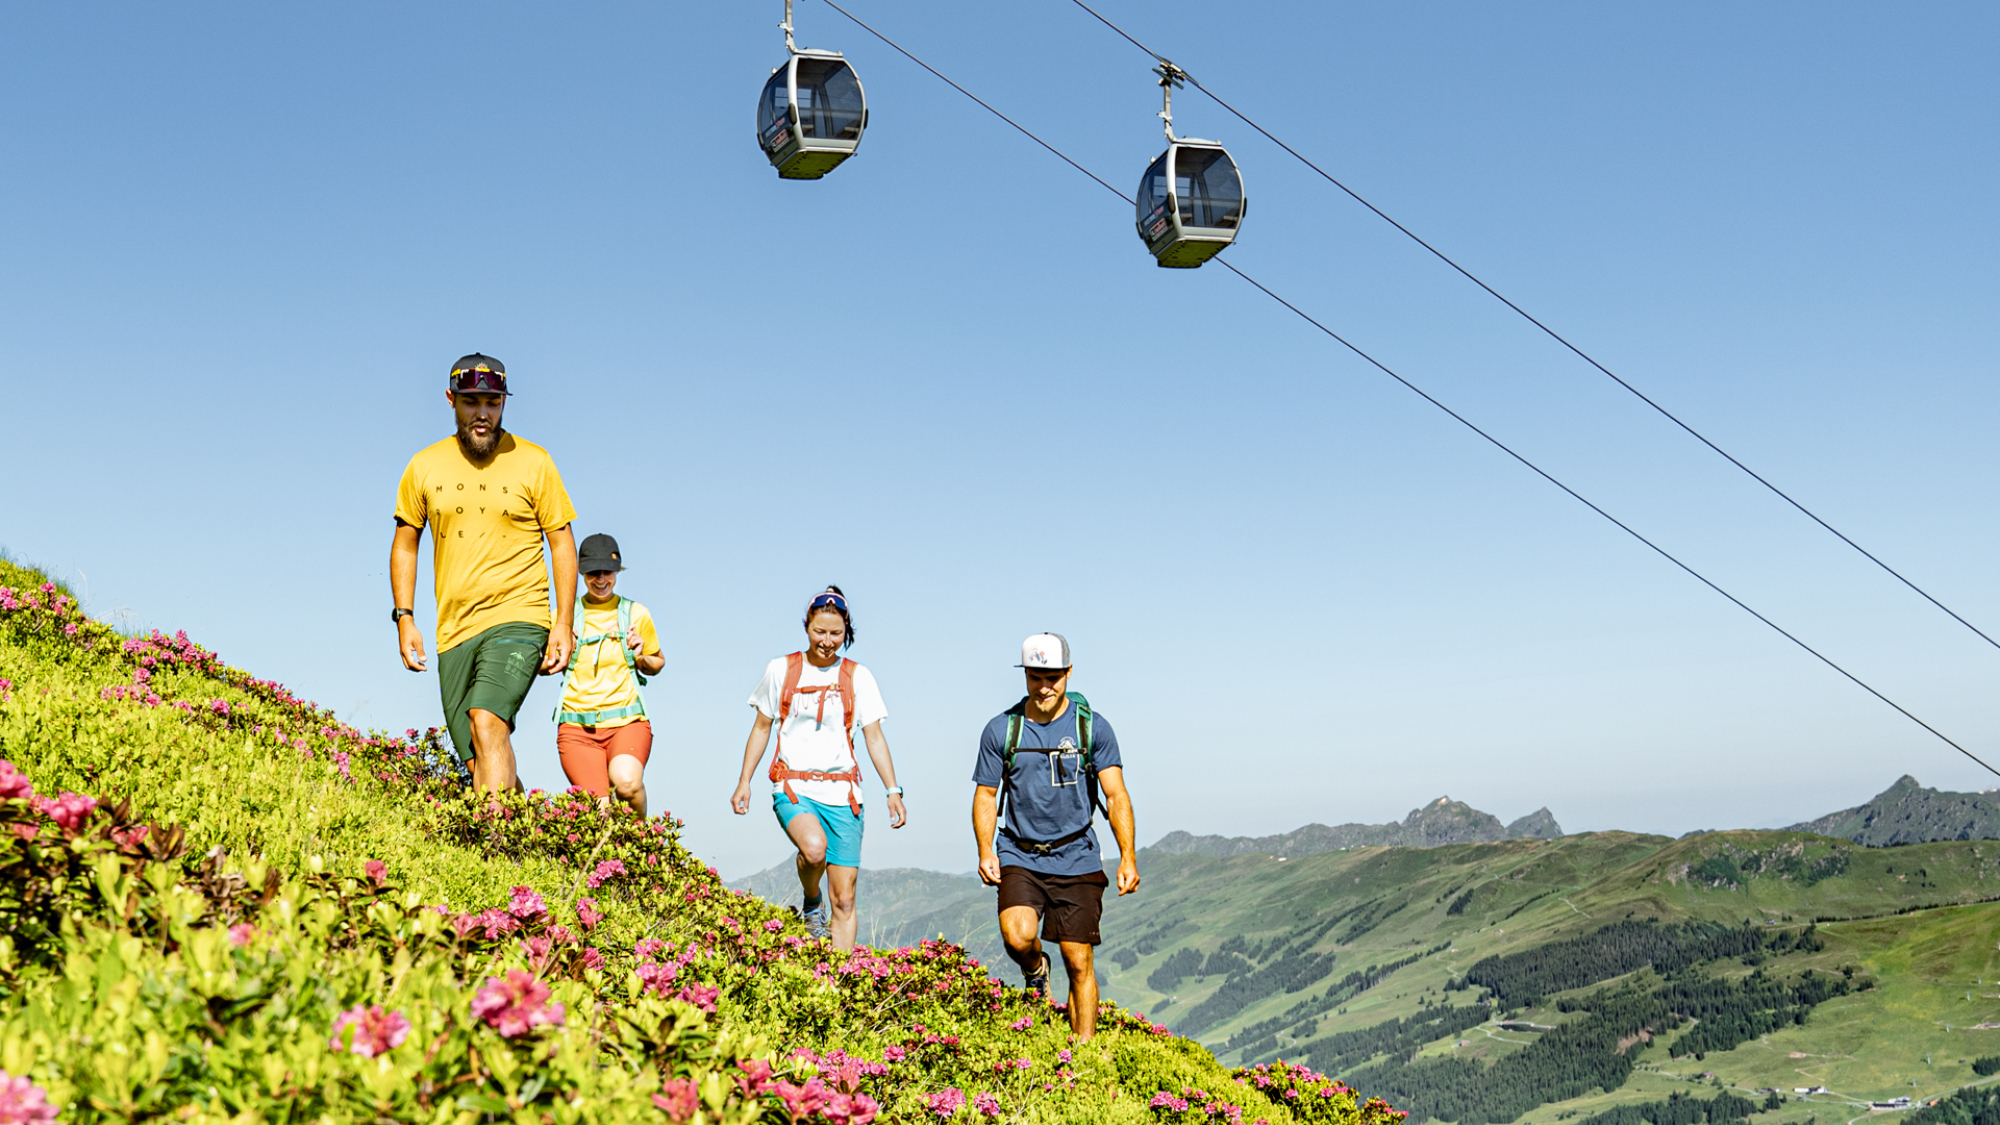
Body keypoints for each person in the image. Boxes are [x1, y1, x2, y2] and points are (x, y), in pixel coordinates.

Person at [391, 353, 577, 792]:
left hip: (521, 616)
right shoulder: (423, 466)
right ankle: (531, 840)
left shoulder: (535, 462)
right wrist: (405, 616)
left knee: (487, 720)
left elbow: (562, 542)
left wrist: (564, 624)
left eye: (492, 403)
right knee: (478, 759)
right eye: (472, 401)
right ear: (451, 400)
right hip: (454, 630)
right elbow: (405, 543)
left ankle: (494, 846)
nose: (483, 414)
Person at [971, 632, 1139, 1040]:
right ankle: (1034, 969)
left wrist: (1127, 856)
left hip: (1077, 855)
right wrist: (985, 851)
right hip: (1021, 852)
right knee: (1017, 935)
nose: (1044, 687)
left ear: (1068, 673)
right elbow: (986, 794)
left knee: (1078, 960)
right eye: (1035, 677)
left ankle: (1083, 1054)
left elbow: (1116, 795)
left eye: (1053, 677)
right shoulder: (1002, 730)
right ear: (1025, 675)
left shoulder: (1092, 729)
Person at [731, 587, 907, 948]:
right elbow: (762, 727)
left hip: (844, 795)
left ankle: (839, 982)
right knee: (813, 849)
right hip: (794, 787)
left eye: (836, 634)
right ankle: (812, 901)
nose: (827, 642)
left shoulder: (858, 676)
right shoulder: (782, 669)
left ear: (847, 632)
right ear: (807, 627)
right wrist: (744, 781)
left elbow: (874, 737)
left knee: (844, 898)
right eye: (819, 632)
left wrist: (893, 790)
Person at [552, 533, 663, 816]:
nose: (601, 579)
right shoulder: (564, 616)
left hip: (627, 721)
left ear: (617, 571)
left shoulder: (636, 613)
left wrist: (640, 654)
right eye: (593, 572)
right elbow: (544, 667)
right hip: (577, 727)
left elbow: (657, 663)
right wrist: (562, 650)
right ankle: (609, 860)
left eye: (607, 572)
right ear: (580, 572)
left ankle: (639, 848)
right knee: (599, 812)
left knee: (627, 784)